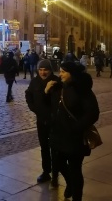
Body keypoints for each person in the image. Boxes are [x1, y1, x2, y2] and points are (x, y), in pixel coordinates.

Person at [44, 62, 100, 201]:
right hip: (59, 135)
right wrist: (46, 92)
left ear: (72, 74)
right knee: (58, 163)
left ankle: (77, 197)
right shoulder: (60, 86)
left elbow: (93, 113)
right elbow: (50, 106)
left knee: (75, 169)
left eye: (63, 72)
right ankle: (70, 183)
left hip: (75, 137)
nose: (60, 74)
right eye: (60, 71)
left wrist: (76, 128)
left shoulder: (83, 90)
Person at [25, 59, 60, 186]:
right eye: (40, 69)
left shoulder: (56, 82)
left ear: (50, 70)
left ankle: (55, 174)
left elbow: (56, 102)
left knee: (55, 148)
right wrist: (32, 107)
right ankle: (46, 171)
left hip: (54, 121)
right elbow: (28, 94)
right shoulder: (35, 82)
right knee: (44, 147)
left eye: (45, 69)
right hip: (41, 120)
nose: (43, 72)